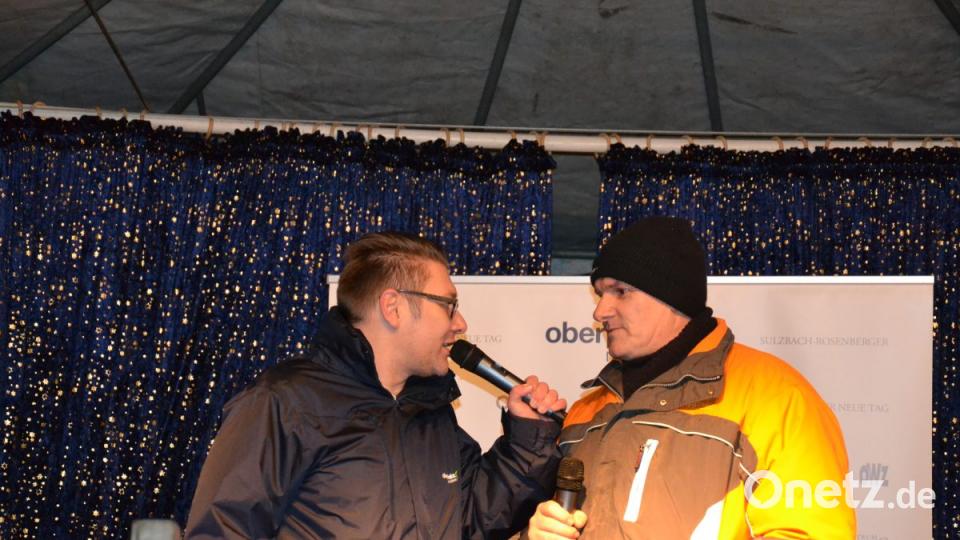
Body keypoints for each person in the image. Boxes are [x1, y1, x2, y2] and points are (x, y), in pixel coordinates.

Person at [185, 231, 566, 539]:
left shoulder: (430, 413)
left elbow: (478, 519)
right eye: (448, 305)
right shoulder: (286, 402)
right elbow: (223, 529)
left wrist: (528, 437)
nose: (460, 323)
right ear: (393, 307)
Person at [527, 217, 856, 539]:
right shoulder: (585, 413)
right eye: (600, 294)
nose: (600, 312)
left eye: (620, 291)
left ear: (670, 295)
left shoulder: (775, 396)